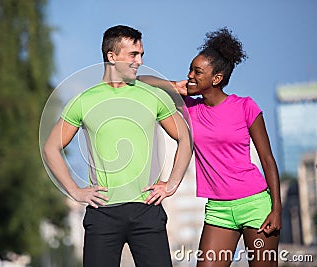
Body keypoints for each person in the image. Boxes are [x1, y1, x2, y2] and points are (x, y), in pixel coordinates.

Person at [42, 25, 192, 267]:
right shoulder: (84, 100)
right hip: (102, 213)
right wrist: (75, 190)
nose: (140, 61)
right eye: (133, 54)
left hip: (147, 209)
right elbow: (51, 148)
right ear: (111, 56)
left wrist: (172, 184)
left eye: (141, 55)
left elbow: (185, 138)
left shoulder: (153, 96)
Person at [138, 27, 282, 267]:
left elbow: (267, 160)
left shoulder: (245, 107)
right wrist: (176, 85)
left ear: (216, 78)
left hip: (256, 205)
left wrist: (276, 208)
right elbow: (141, 82)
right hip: (218, 209)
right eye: (190, 70)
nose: (190, 75)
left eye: (198, 72)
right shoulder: (190, 108)